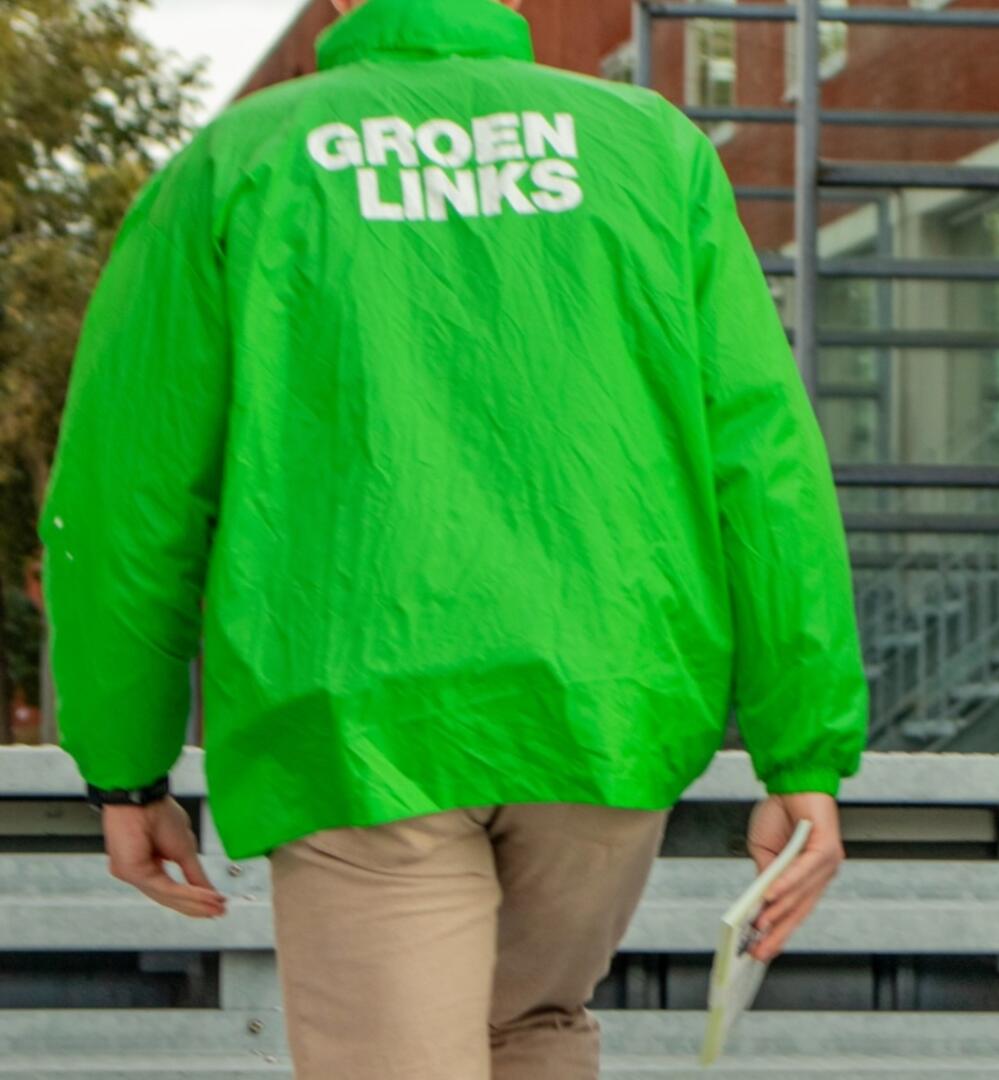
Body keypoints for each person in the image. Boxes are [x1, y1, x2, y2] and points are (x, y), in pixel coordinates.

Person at [39, 0, 867, 1075]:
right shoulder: (650, 151)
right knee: (533, 1025)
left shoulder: (241, 161)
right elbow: (764, 463)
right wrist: (803, 751)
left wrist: (126, 769)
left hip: (360, 708)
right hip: (605, 705)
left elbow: (130, 493)